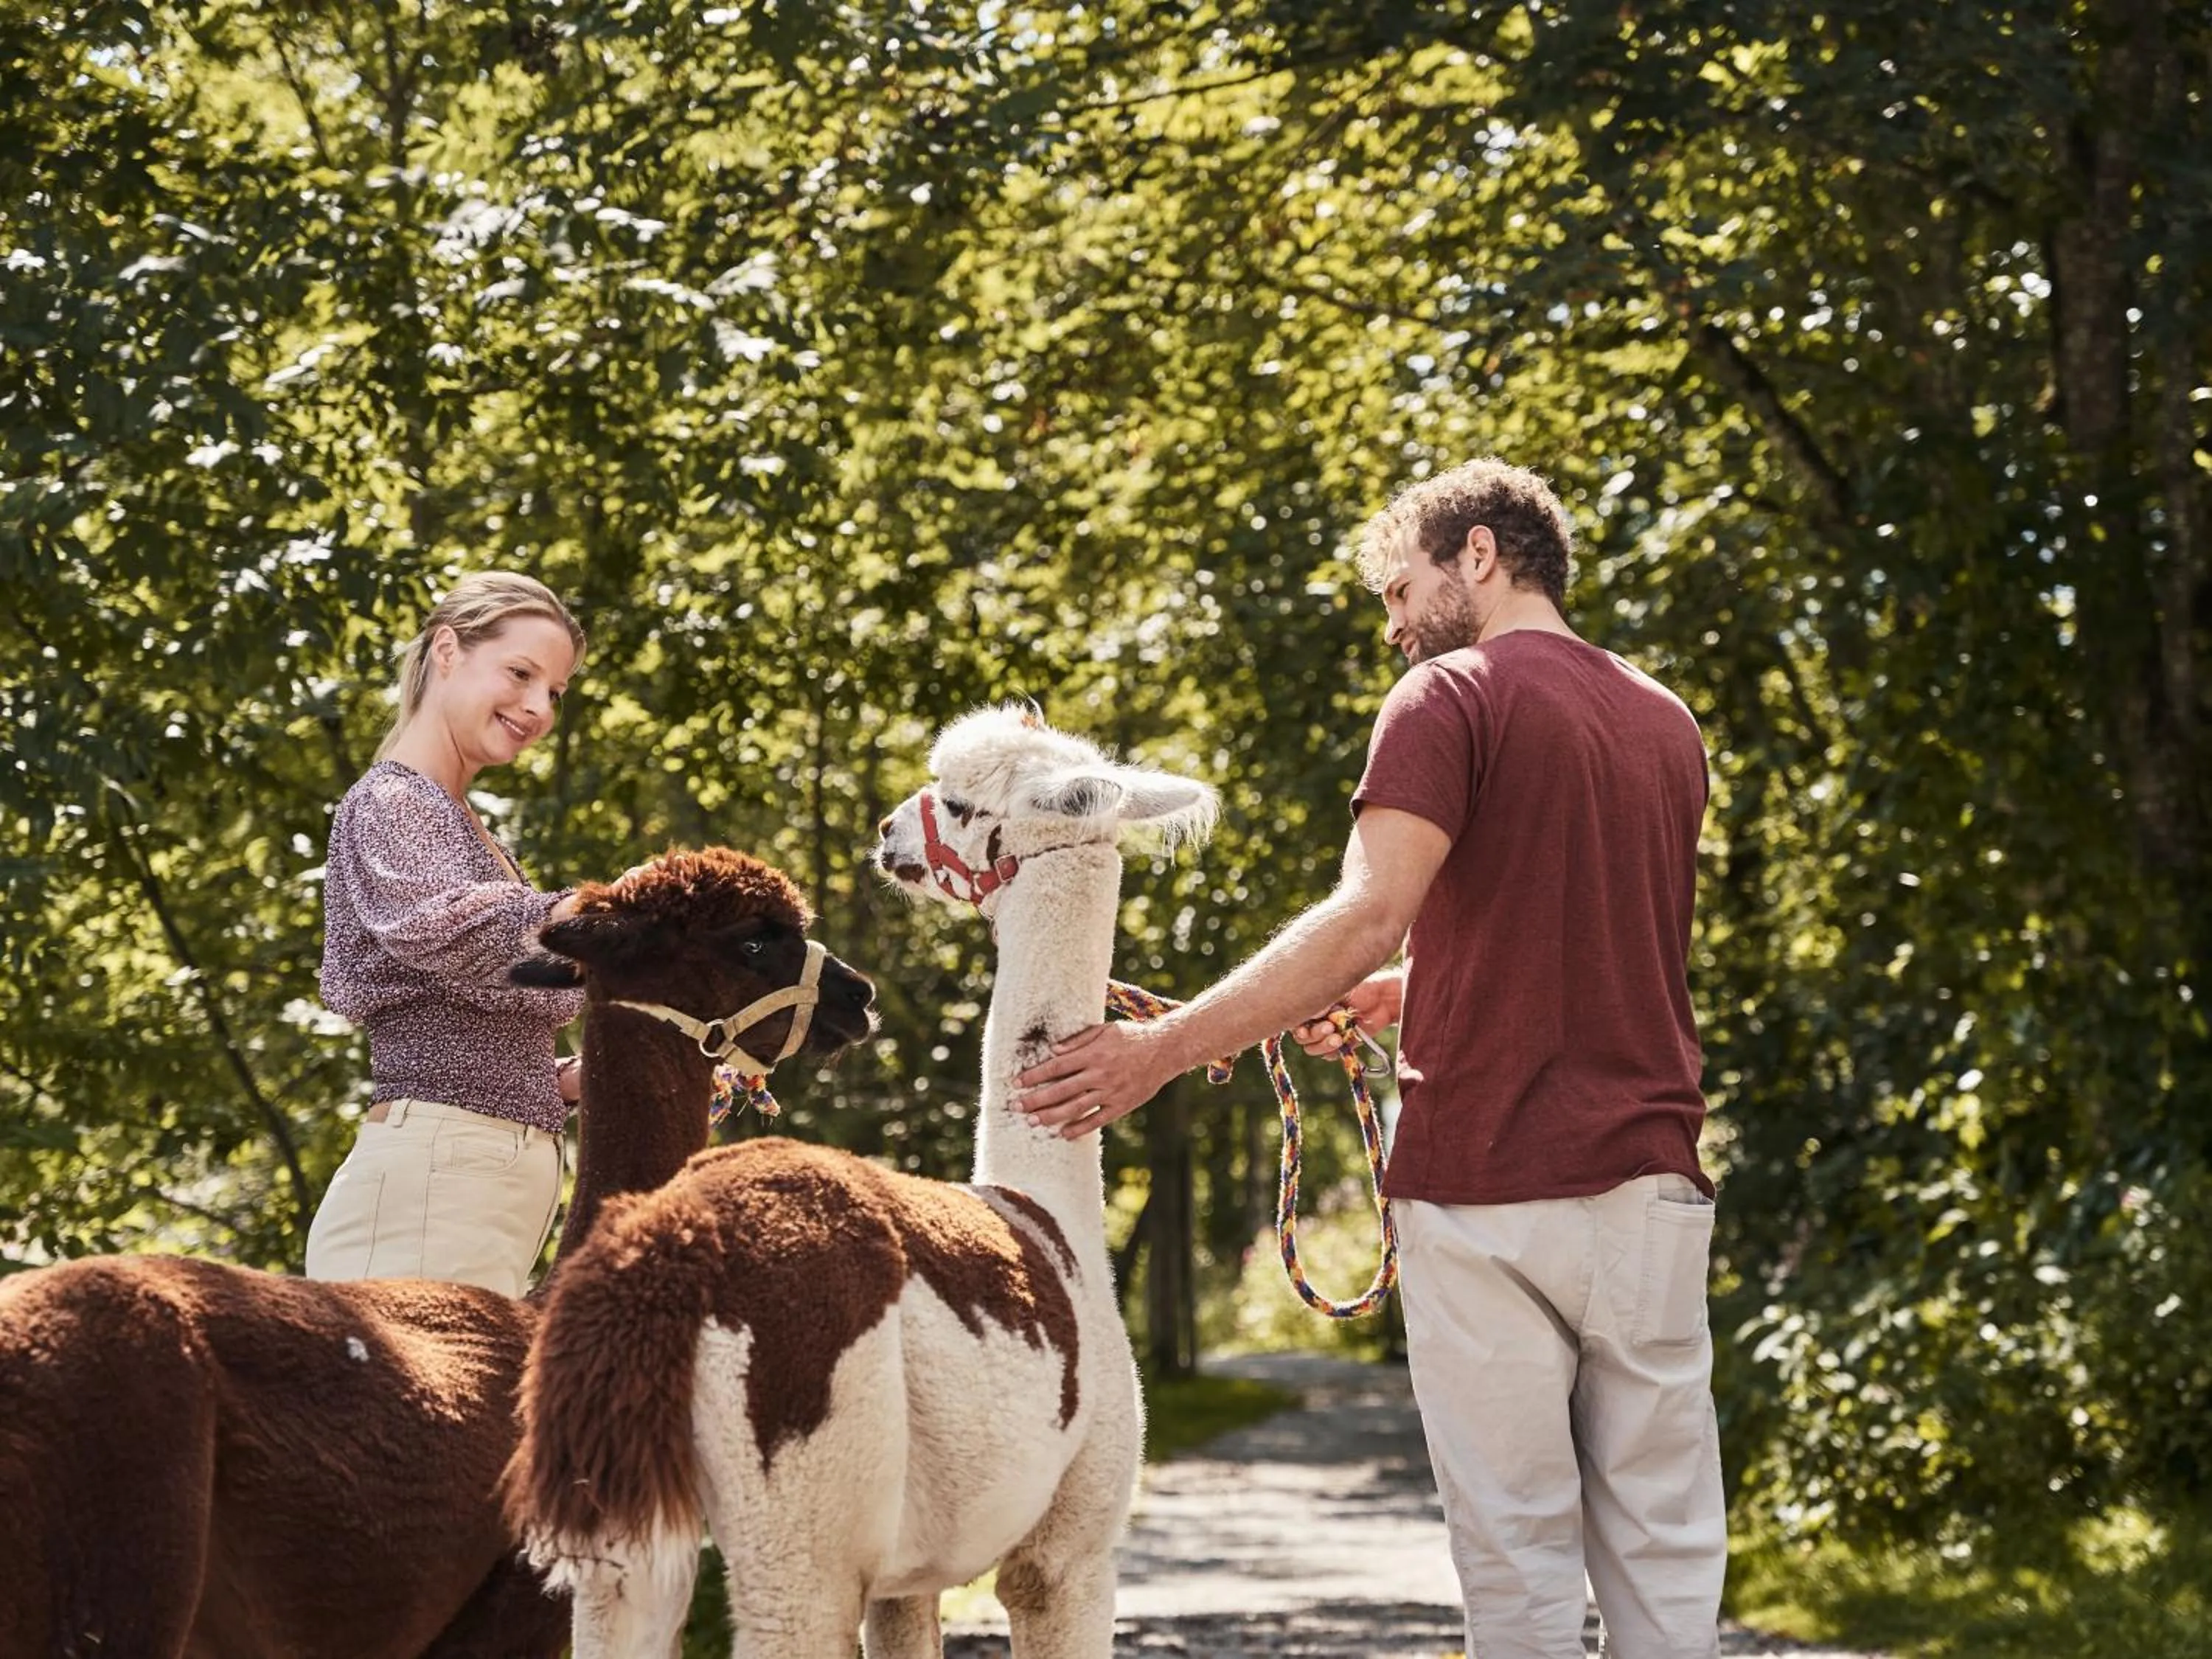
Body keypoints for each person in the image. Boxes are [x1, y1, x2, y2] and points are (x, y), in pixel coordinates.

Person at [1017, 458, 1725, 1659]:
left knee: (1520, 1560)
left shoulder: (1448, 696)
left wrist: (1163, 1050)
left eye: (1400, 592)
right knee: (1666, 1553)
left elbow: (1365, 913)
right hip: (1652, 1189)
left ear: (1482, 556)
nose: (1393, 628)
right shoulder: (1663, 718)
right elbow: (1589, 939)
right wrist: (1415, 992)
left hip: (1487, 1184)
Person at [303, 572, 590, 1297]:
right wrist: (618, 913)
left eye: (554, 692)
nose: (537, 706)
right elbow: (447, 929)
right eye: (521, 673)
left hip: (477, 1180)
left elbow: (472, 1030)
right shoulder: (392, 799)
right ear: (448, 650)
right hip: (434, 1178)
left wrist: (589, 1077)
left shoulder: (462, 825)